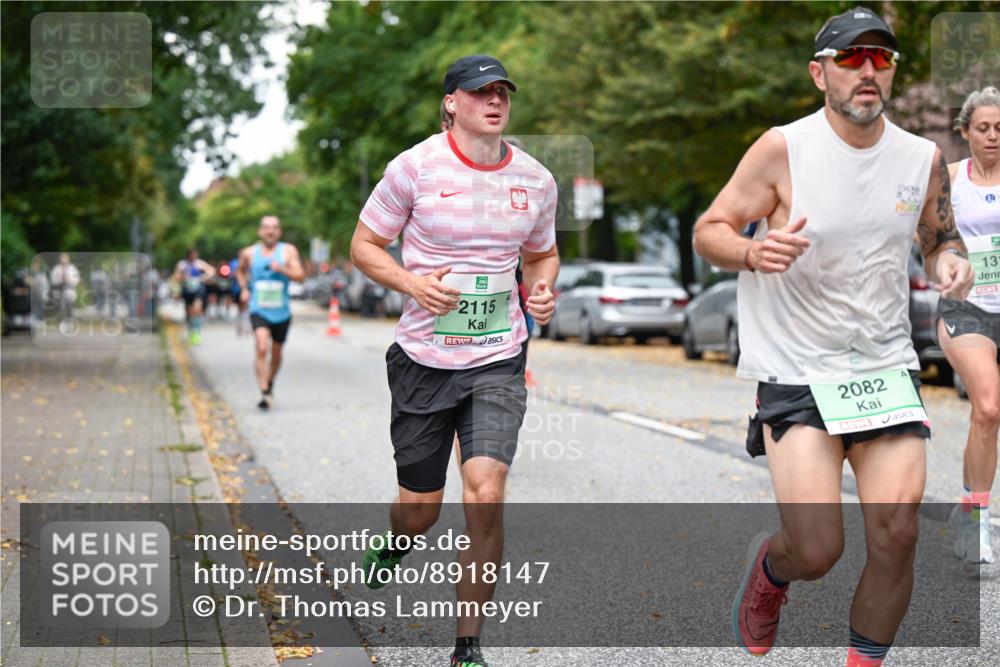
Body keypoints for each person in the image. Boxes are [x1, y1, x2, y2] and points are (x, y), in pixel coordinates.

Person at [692, 8, 974, 667]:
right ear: (820, 74)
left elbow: (939, 238)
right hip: (797, 371)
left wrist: (947, 263)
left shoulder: (921, 156)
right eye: (851, 58)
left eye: (882, 58)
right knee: (817, 549)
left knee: (898, 532)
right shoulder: (781, 148)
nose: (869, 69)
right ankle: (772, 568)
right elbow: (711, 228)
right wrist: (752, 252)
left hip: (882, 367)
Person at [350, 54, 559, 667]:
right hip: (422, 358)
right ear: (451, 102)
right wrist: (413, 285)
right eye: (479, 92)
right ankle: (396, 543)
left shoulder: (536, 180)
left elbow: (542, 254)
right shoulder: (412, 169)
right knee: (419, 510)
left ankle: (467, 647)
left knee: (486, 491)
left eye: (502, 92)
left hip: (498, 357)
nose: (493, 101)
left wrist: (541, 288)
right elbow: (364, 246)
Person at [942, 87, 1000, 565]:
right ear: (965, 132)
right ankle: (979, 520)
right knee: (987, 408)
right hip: (968, 308)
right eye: (983, 127)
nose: (993, 136)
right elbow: (929, 239)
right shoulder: (948, 181)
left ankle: (966, 504)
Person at [236, 216, 305, 410]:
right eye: (266, 228)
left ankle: (270, 381)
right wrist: (244, 289)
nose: (270, 231)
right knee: (261, 346)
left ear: (279, 232)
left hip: (281, 311)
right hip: (259, 308)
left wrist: (282, 268)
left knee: (276, 353)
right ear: (260, 231)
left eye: (274, 228)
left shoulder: (288, 251)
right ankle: (264, 390)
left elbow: (300, 276)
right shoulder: (249, 253)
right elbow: (240, 272)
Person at [173, 248, 215, 345]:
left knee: (197, 309)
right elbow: (176, 276)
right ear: (188, 255)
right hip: (187, 289)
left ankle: (196, 332)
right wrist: (182, 277)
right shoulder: (182, 264)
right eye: (192, 255)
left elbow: (212, 270)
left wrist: (203, 277)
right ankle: (191, 331)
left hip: (198, 289)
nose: (194, 256)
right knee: (189, 312)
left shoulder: (199, 263)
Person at [49, 253, 80, 324]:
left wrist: (69, 280)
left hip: (69, 290)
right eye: (62, 260)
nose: (63, 262)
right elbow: (52, 280)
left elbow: (77, 279)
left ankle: (69, 320)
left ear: (68, 260)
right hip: (59, 290)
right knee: (60, 307)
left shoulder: (72, 268)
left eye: (65, 260)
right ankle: (61, 321)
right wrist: (59, 280)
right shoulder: (56, 269)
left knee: (69, 305)